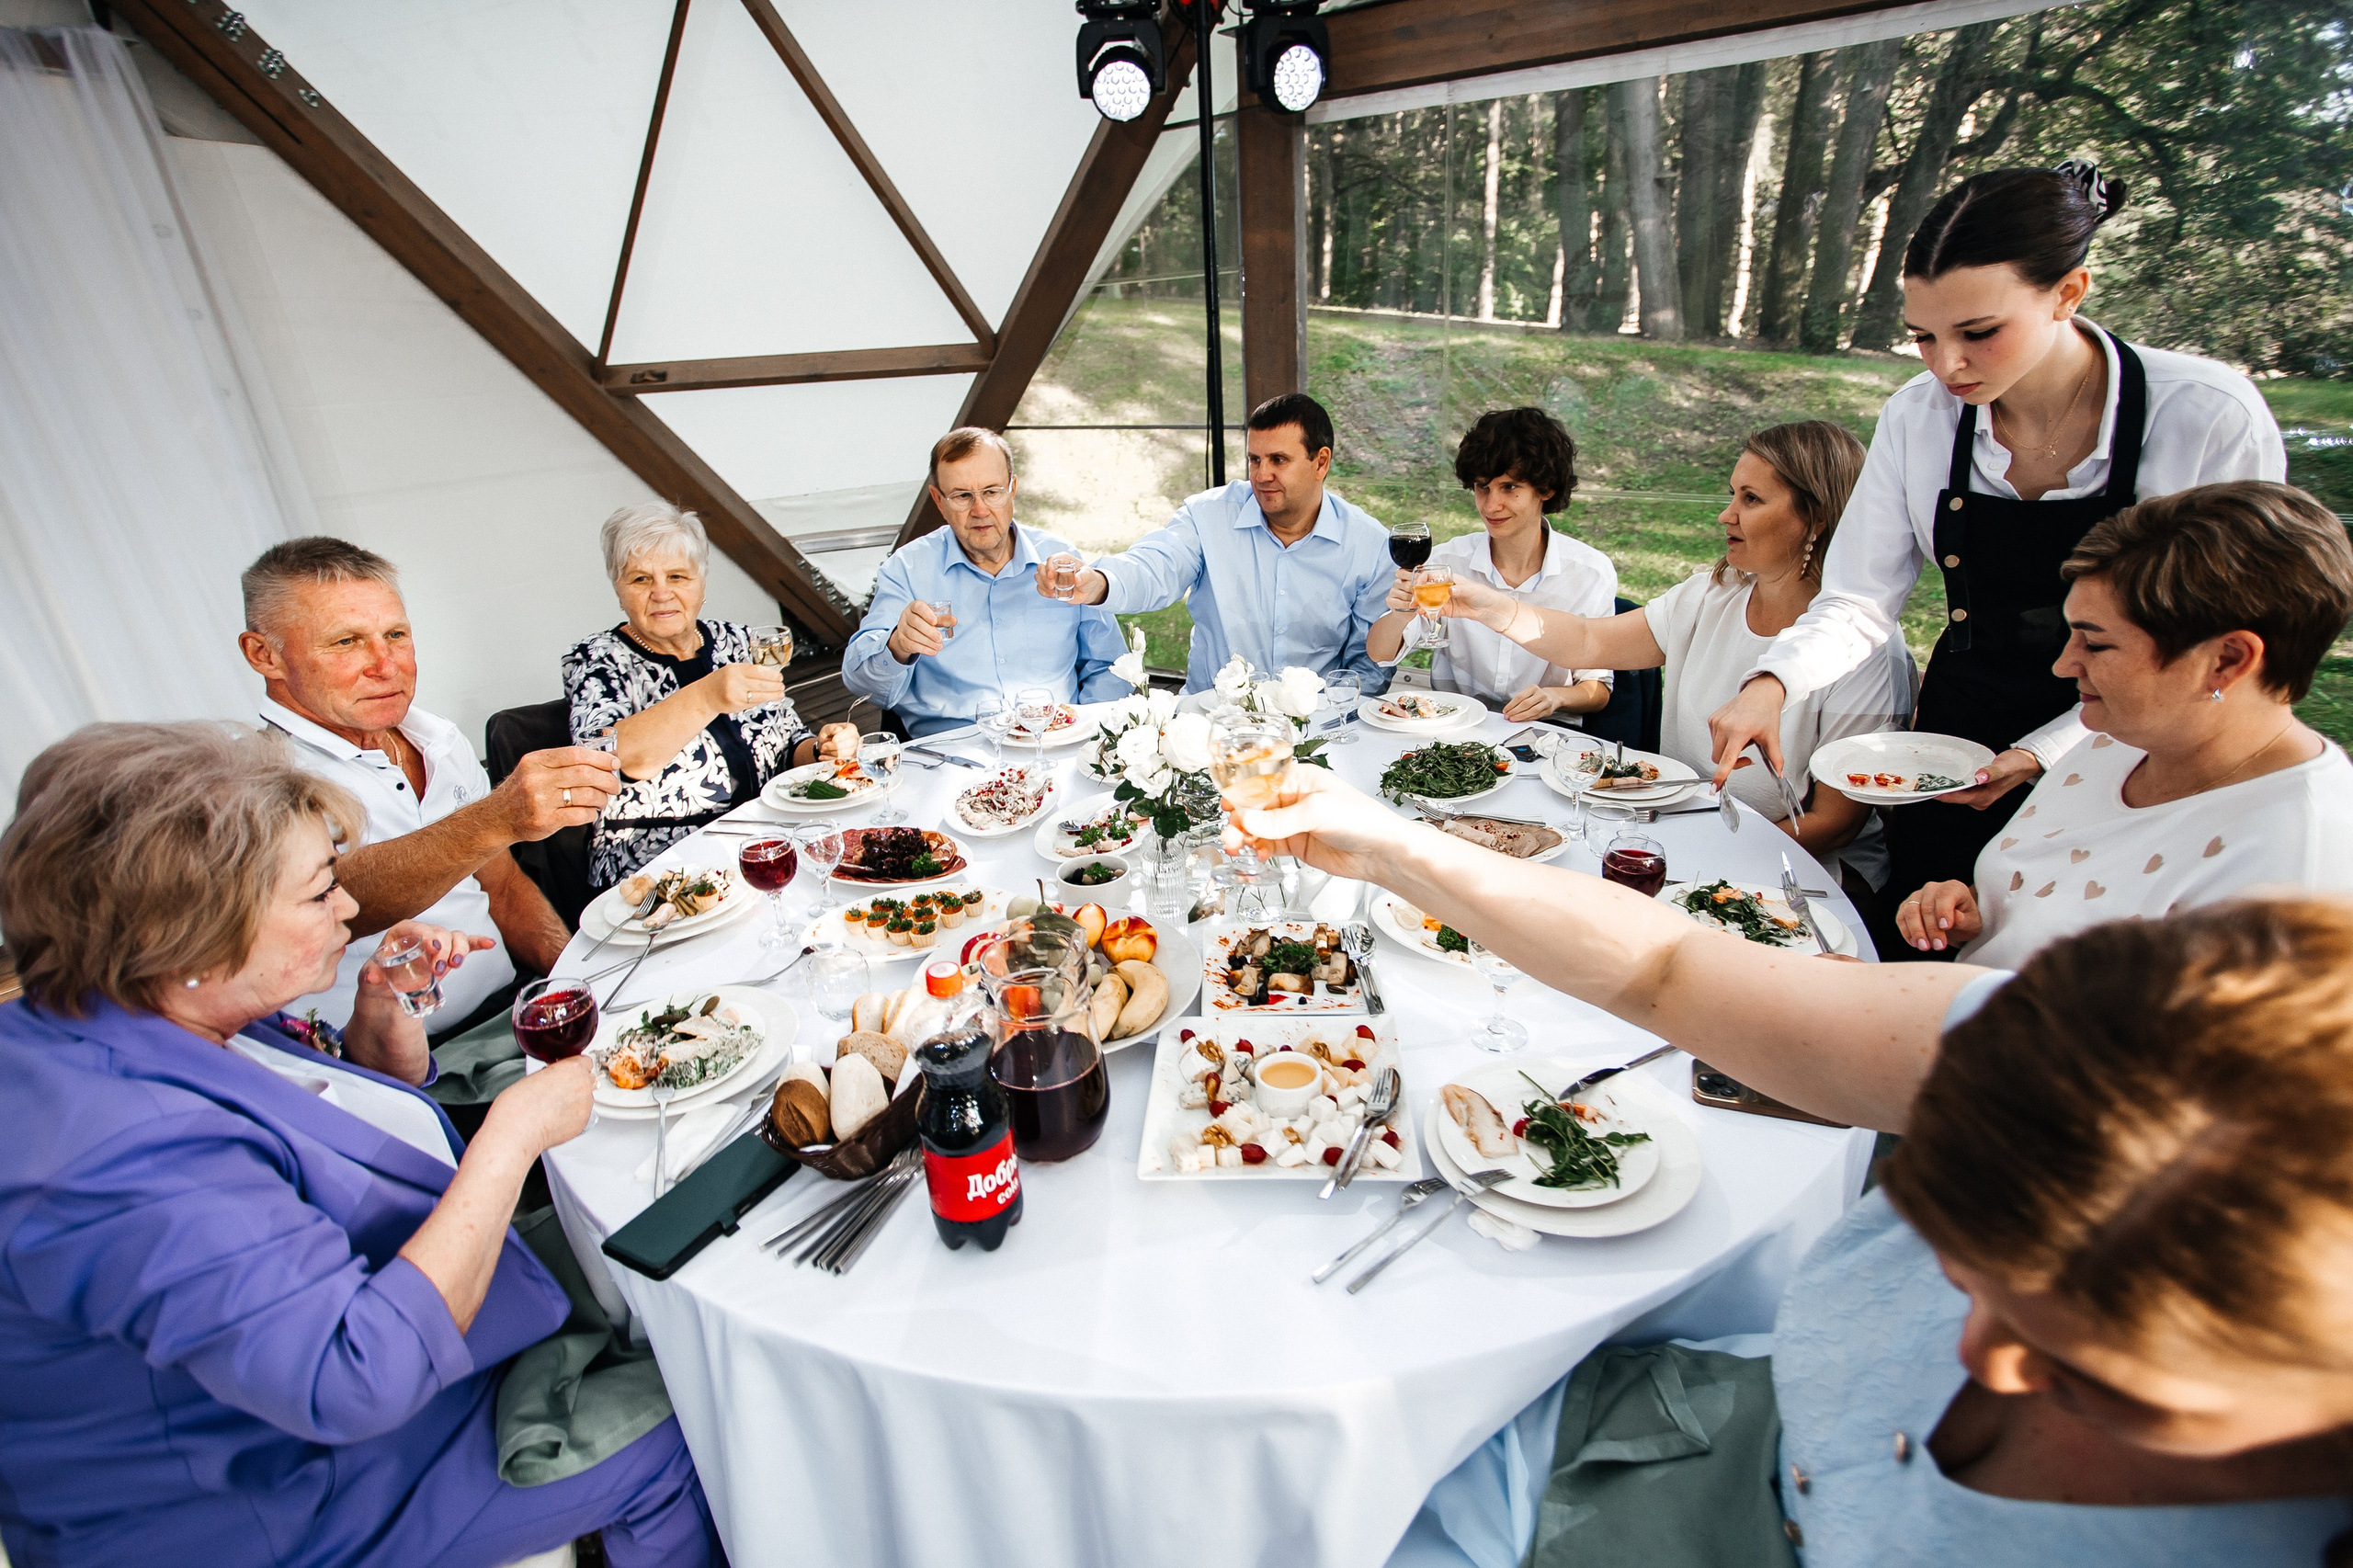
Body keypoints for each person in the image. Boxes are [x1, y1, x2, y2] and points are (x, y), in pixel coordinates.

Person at [1224, 766, 2353, 1567]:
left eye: (2106, 1374)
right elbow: (1669, 966)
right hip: (1687, 1434)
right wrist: (1389, 843)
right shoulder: (2068, 1053)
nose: (1973, 1356)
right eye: (1945, 1258)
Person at [0, 722, 722, 1567]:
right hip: (274, 1495)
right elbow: (357, 1376)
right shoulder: (119, 1154)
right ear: (189, 933)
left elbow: (285, 1141)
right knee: (682, 1422)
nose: (350, 909)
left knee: (654, 1264)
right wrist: (511, 1135)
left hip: (324, 1390)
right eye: (319, 895)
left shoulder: (130, 1003)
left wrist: (375, 1041)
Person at [1705, 162, 2287, 901]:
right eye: (1923, 337)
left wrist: (2046, 751)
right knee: (1927, 926)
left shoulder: (2206, 415)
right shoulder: (1918, 416)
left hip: (2140, 745)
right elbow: (1858, 599)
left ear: (2068, 293)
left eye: (1980, 333)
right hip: (1958, 743)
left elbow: (2219, 646)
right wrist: (1772, 682)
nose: (1947, 365)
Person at [1423, 421, 1913, 890]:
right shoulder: (1711, 595)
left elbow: (1834, 823)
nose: (1726, 514)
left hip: (1798, 871)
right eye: (1732, 494)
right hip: (1679, 835)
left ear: (1817, 517)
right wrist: (1490, 607)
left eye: (1751, 499)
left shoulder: (1863, 647)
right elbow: (1588, 641)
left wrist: (1705, 862)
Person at [1897, 482, 2353, 964]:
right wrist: (1977, 912)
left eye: (2096, 644)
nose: (2064, 666)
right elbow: (2055, 897)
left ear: (2227, 660)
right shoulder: (2121, 739)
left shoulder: (2299, 865)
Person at [238, 537, 617, 1036]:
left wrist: (586, 985)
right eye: (346, 641)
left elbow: (501, 888)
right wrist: (495, 818)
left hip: (517, 1010)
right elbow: (337, 904)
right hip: (408, 1060)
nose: (386, 664)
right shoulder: (254, 781)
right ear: (265, 655)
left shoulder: (438, 737)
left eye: (395, 634)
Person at [563, 502, 858, 887]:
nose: (661, 593)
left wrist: (821, 750)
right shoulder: (598, 660)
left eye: (677, 576)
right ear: (619, 589)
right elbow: (604, 760)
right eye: (640, 579)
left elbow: (789, 746)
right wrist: (707, 696)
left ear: (701, 582)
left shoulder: (738, 640)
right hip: (660, 870)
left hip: (768, 845)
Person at [1035, 392, 1393, 694]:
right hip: (1212, 723)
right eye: (1254, 459)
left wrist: (1329, 723)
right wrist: (1099, 581)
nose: (1262, 475)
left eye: (1278, 460)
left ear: (1321, 462)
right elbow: (1155, 567)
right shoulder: (1207, 515)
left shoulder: (1370, 545)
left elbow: (1369, 664)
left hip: (1315, 729)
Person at [843, 426, 1129, 735]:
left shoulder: (1061, 560)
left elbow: (1108, 666)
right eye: (962, 496)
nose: (980, 510)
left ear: (1012, 489)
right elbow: (862, 686)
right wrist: (897, 645)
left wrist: (1090, 733)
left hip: (1053, 740)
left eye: (992, 492)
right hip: (951, 750)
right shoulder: (907, 569)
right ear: (939, 501)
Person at [1365, 406, 1616, 724]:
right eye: (1482, 487)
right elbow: (1381, 653)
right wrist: (1401, 613)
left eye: (1509, 487)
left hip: (1545, 734)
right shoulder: (1447, 562)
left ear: (1546, 488)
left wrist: (1556, 697)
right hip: (1454, 729)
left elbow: (1597, 688)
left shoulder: (1589, 573)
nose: (1491, 505)